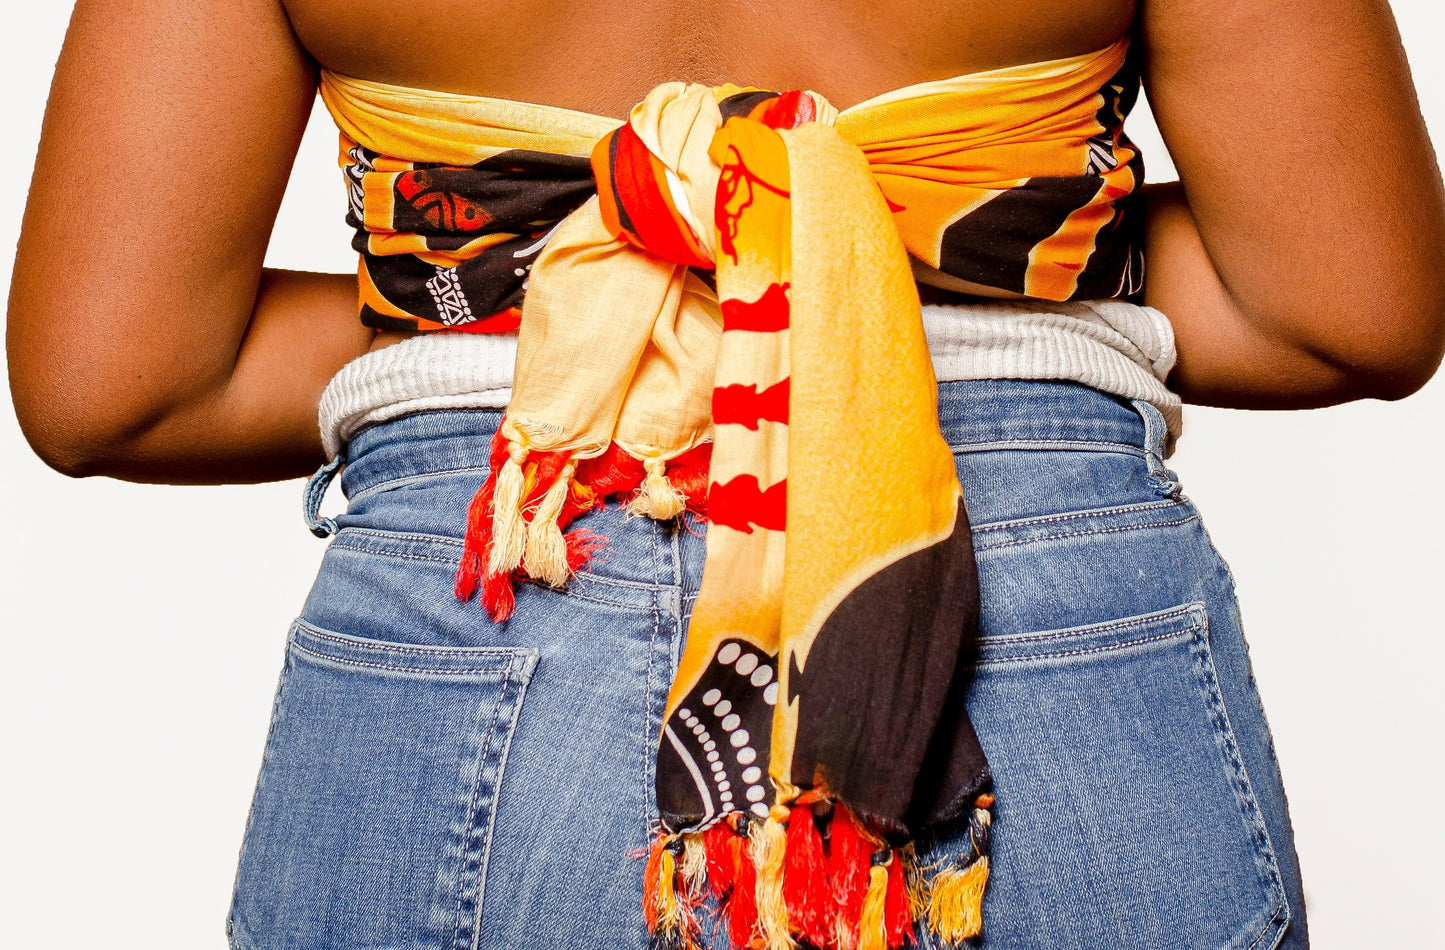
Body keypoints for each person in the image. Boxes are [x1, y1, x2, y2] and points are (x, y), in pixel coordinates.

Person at [8, 1, 1443, 948]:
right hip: (1035, 616)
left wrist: (557, 298)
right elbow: (1341, 305)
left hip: (497, 590)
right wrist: (880, 257)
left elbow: (120, 381)